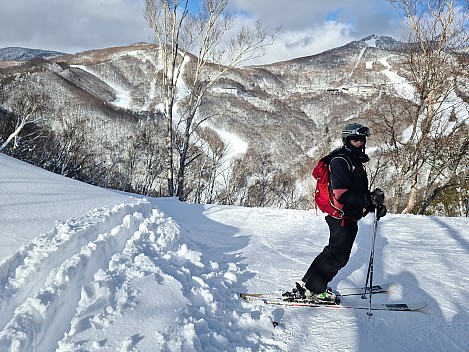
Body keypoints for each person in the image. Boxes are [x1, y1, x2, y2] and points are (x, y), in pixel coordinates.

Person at [294, 123, 386, 303]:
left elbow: (356, 193)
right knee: (338, 257)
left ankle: (309, 284)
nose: (360, 142)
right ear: (347, 140)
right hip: (341, 218)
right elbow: (341, 195)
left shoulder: (353, 160)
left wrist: (372, 205)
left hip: (347, 216)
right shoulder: (341, 161)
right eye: (355, 139)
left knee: (331, 252)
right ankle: (316, 289)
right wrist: (368, 200)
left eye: (362, 139)